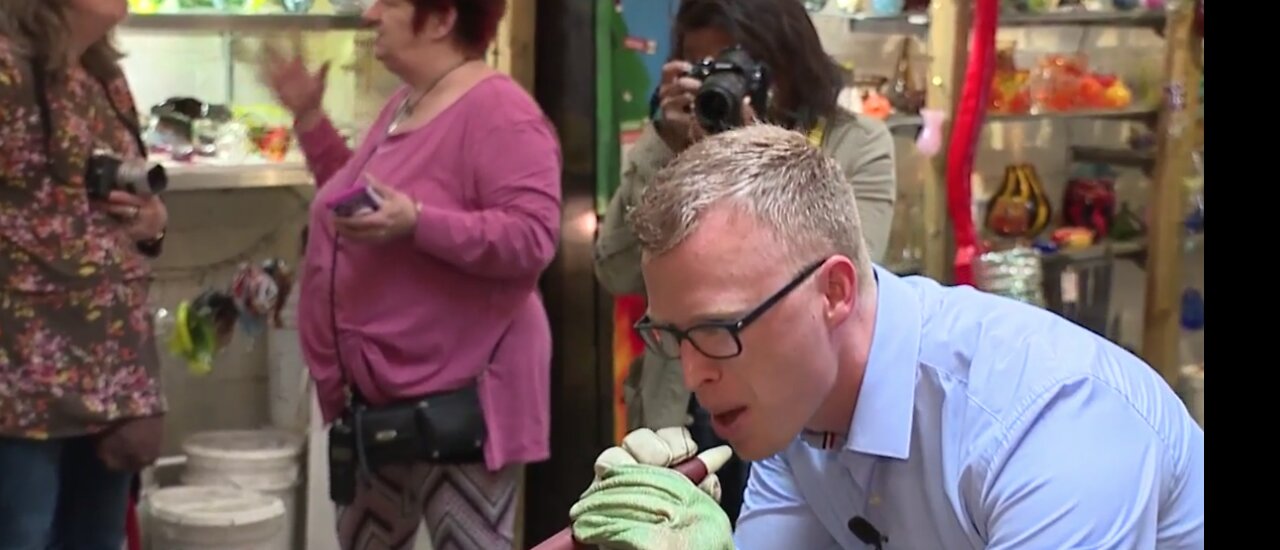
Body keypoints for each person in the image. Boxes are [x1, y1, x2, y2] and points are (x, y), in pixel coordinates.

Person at [570, 125, 1205, 549]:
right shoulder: (795, 413)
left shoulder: (1049, 419)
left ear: (834, 294)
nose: (693, 373)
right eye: (672, 335)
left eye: (717, 330)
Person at [261, 0, 560, 547]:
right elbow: (352, 198)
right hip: (377, 401)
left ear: (443, 19)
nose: (372, 14)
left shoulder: (501, 112)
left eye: (390, 2)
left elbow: (532, 238)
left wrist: (418, 222)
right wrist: (308, 117)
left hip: (460, 405)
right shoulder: (406, 103)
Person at [594, 0, 898, 523]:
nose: (720, 82)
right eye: (702, 68)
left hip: (803, 415)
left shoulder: (856, 142)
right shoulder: (674, 142)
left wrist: (754, 152)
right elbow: (616, 268)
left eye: (736, 64)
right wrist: (666, 151)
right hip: (686, 408)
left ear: (786, 59)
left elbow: (849, 280)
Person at [0, 0, 170, 548]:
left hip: (110, 373)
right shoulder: (7, 69)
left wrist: (151, 224)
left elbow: (117, 211)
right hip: (19, 382)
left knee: (97, 539)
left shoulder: (103, 77)